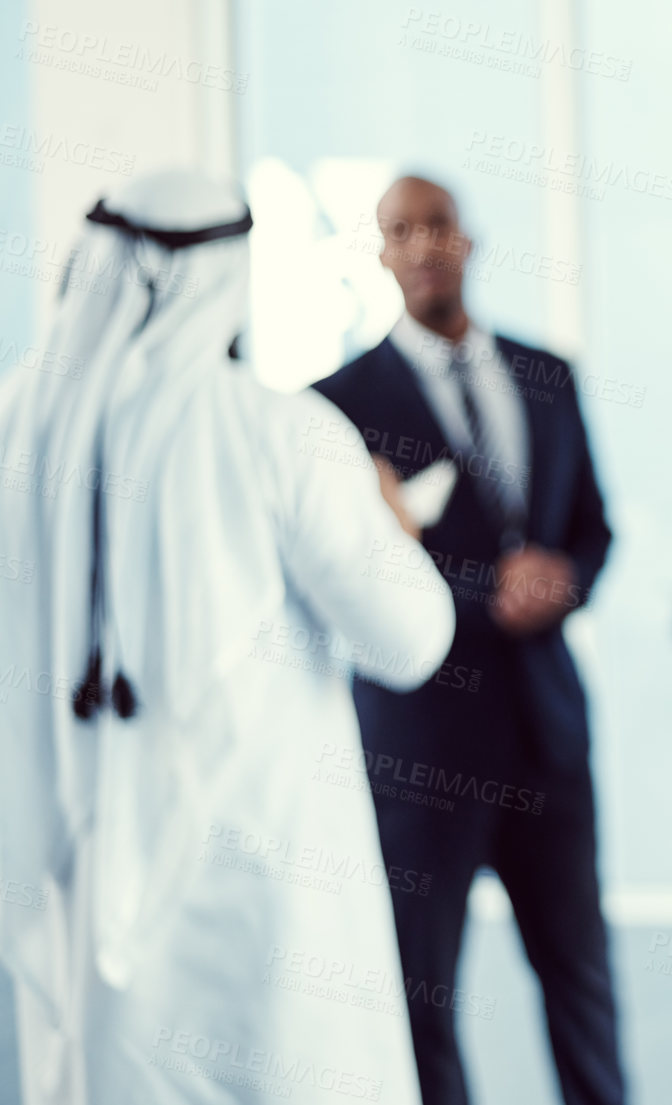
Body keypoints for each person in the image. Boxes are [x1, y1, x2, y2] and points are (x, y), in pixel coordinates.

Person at [0, 170, 455, 1104]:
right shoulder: (276, 431)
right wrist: (389, 521)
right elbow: (409, 642)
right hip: (271, 917)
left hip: (88, 911)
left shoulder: (21, 423)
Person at [313, 176, 625, 1105]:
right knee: (421, 993)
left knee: (581, 981)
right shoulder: (334, 403)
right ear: (379, 254)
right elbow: (350, 567)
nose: (420, 245)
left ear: (467, 238)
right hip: (420, 748)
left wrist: (565, 576)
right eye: (397, 230)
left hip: (547, 733)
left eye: (435, 224)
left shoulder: (546, 373)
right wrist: (488, 591)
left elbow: (594, 525)